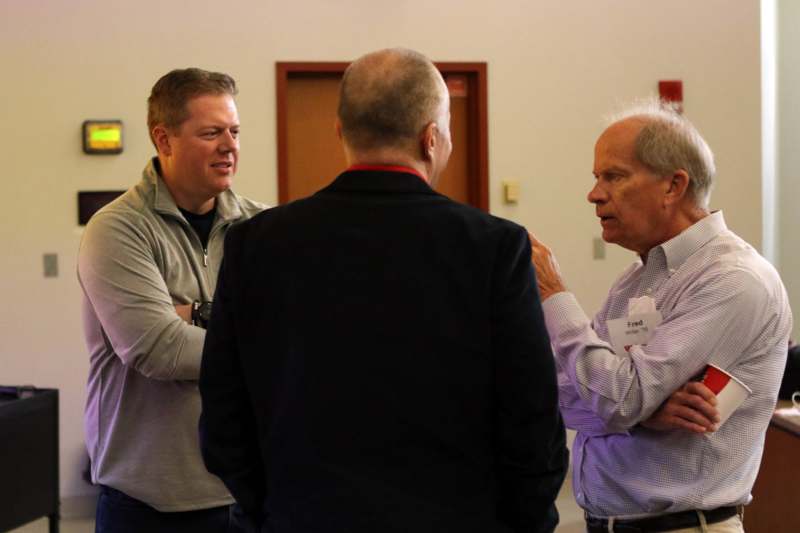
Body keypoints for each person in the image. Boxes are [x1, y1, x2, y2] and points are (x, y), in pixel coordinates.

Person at [199, 48, 568, 533]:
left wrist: (267, 508)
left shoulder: (256, 245)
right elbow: (532, 420)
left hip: (302, 517)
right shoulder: (495, 248)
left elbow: (224, 414)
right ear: (431, 138)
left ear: (340, 132)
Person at [530, 100, 792, 532]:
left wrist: (555, 295)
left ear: (673, 186)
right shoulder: (636, 280)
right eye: (596, 178)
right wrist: (645, 411)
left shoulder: (734, 280)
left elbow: (616, 398)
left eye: (613, 176)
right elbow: (567, 394)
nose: (594, 194)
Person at [78, 67, 265, 533]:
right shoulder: (118, 229)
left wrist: (193, 315)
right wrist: (252, 335)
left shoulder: (263, 229)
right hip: (149, 505)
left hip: (249, 494)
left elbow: (299, 327)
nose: (230, 146)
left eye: (235, 131)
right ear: (164, 138)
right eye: (211, 133)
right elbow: (158, 349)